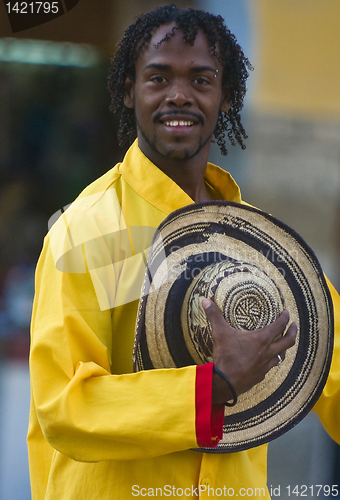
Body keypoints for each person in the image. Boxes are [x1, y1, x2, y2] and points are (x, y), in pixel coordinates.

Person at [28, 5, 340, 499]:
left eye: (200, 79)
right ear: (130, 91)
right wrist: (211, 387)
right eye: (158, 78)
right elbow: (66, 407)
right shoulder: (94, 230)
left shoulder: (263, 246)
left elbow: (331, 364)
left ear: (226, 95)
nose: (179, 95)